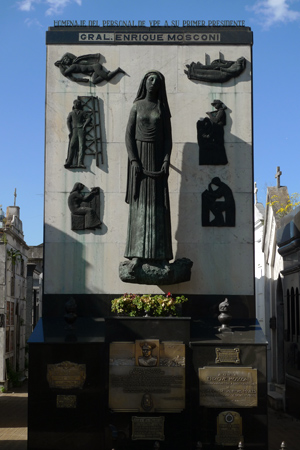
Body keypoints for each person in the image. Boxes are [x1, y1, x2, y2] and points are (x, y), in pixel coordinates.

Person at [124, 71, 173, 264]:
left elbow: (168, 138)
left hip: (158, 161)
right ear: (144, 82)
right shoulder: (137, 107)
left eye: (157, 80)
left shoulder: (162, 109)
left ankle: (159, 256)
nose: (153, 82)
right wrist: (134, 160)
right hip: (140, 162)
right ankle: (137, 255)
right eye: (149, 79)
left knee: (158, 207)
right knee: (139, 207)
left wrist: (166, 160)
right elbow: (128, 136)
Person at [55, 52, 125, 85]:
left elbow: (65, 73)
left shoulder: (74, 64)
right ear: (66, 64)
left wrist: (60, 65)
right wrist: (83, 80)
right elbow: (73, 78)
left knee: (107, 77)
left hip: (95, 67)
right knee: (94, 81)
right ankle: (106, 73)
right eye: (65, 61)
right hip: (93, 72)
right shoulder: (73, 66)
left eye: (66, 59)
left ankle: (117, 70)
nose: (66, 60)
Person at [65, 99, 91, 169]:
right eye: (75, 103)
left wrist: (84, 125)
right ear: (73, 105)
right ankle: (69, 162)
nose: (77, 104)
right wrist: (70, 131)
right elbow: (68, 121)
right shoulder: (71, 113)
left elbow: (89, 118)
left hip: (81, 129)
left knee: (81, 146)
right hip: (74, 130)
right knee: (72, 146)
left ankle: (80, 162)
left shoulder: (82, 112)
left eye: (78, 103)